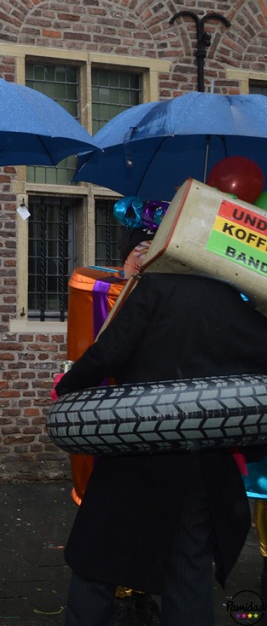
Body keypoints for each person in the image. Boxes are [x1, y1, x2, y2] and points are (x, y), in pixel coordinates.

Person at [54, 228, 267, 625]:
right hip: (205, 462)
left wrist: (66, 390)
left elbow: (109, 353)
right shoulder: (236, 301)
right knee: (187, 572)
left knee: (98, 561)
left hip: (139, 455)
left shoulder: (154, 289)